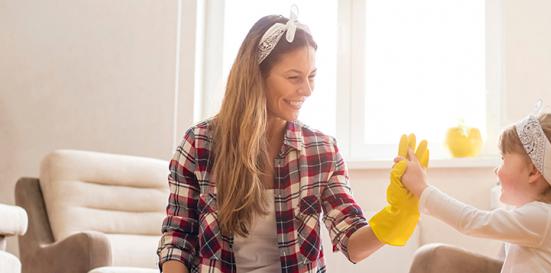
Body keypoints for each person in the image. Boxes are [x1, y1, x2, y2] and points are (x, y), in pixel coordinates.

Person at [156, 6, 423, 273]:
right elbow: (177, 241)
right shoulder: (199, 145)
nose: (307, 89)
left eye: (312, 76)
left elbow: (350, 240)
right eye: (294, 77)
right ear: (256, 76)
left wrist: (395, 216)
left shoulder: (322, 151)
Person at [397, 107, 551, 273]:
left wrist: (422, 189)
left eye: (503, 159)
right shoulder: (542, 215)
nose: (497, 170)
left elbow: (472, 221)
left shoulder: (543, 217)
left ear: (533, 172)